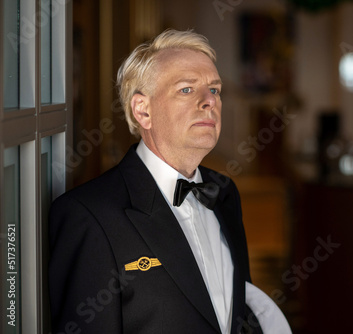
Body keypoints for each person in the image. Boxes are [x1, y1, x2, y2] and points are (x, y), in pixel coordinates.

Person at [48, 29, 291, 334]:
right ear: (143, 110)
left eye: (214, 90)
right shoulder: (87, 215)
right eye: (187, 89)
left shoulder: (225, 193)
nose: (209, 102)